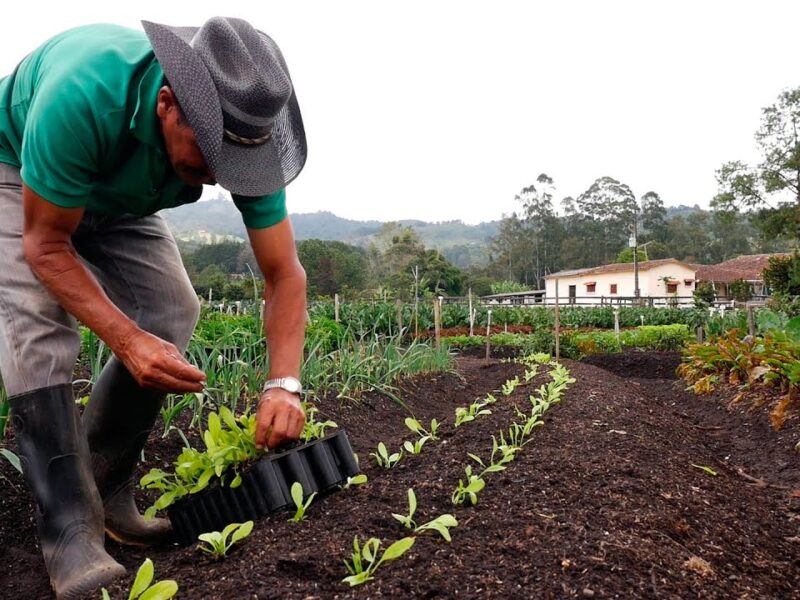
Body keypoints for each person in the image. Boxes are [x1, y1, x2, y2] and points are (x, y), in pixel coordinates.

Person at [0, 16, 308, 599]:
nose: (221, 178)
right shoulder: (84, 93)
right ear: (167, 102)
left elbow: (283, 273)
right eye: (206, 157)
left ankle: (106, 490)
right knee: (40, 334)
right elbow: (45, 246)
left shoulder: (242, 134)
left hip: (123, 195)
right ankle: (68, 530)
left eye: (232, 164)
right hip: (18, 171)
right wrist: (125, 339)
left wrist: (283, 383)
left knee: (171, 308)